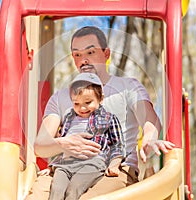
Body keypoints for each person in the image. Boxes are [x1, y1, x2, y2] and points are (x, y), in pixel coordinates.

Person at [26, 26, 175, 200]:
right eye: (77, 55)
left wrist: (150, 138)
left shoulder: (127, 87)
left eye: (90, 52)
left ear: (106, 54)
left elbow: (149, 118)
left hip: (113, 170)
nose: (84, 60)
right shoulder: (60, 97)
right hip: (65, 168)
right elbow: (40, 146)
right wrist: (63, 143)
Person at [47, 72, 125, 200]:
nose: (82, 108)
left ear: (100, 99)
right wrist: (52, 166)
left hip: (92, 162)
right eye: (76, 103)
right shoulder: (69, 118)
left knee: (74, 189)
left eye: (88, 102)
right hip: (66, 164)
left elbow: (117, 145)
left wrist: (114, 164)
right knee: (56, 189)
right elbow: (65, 144)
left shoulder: (108, 118)